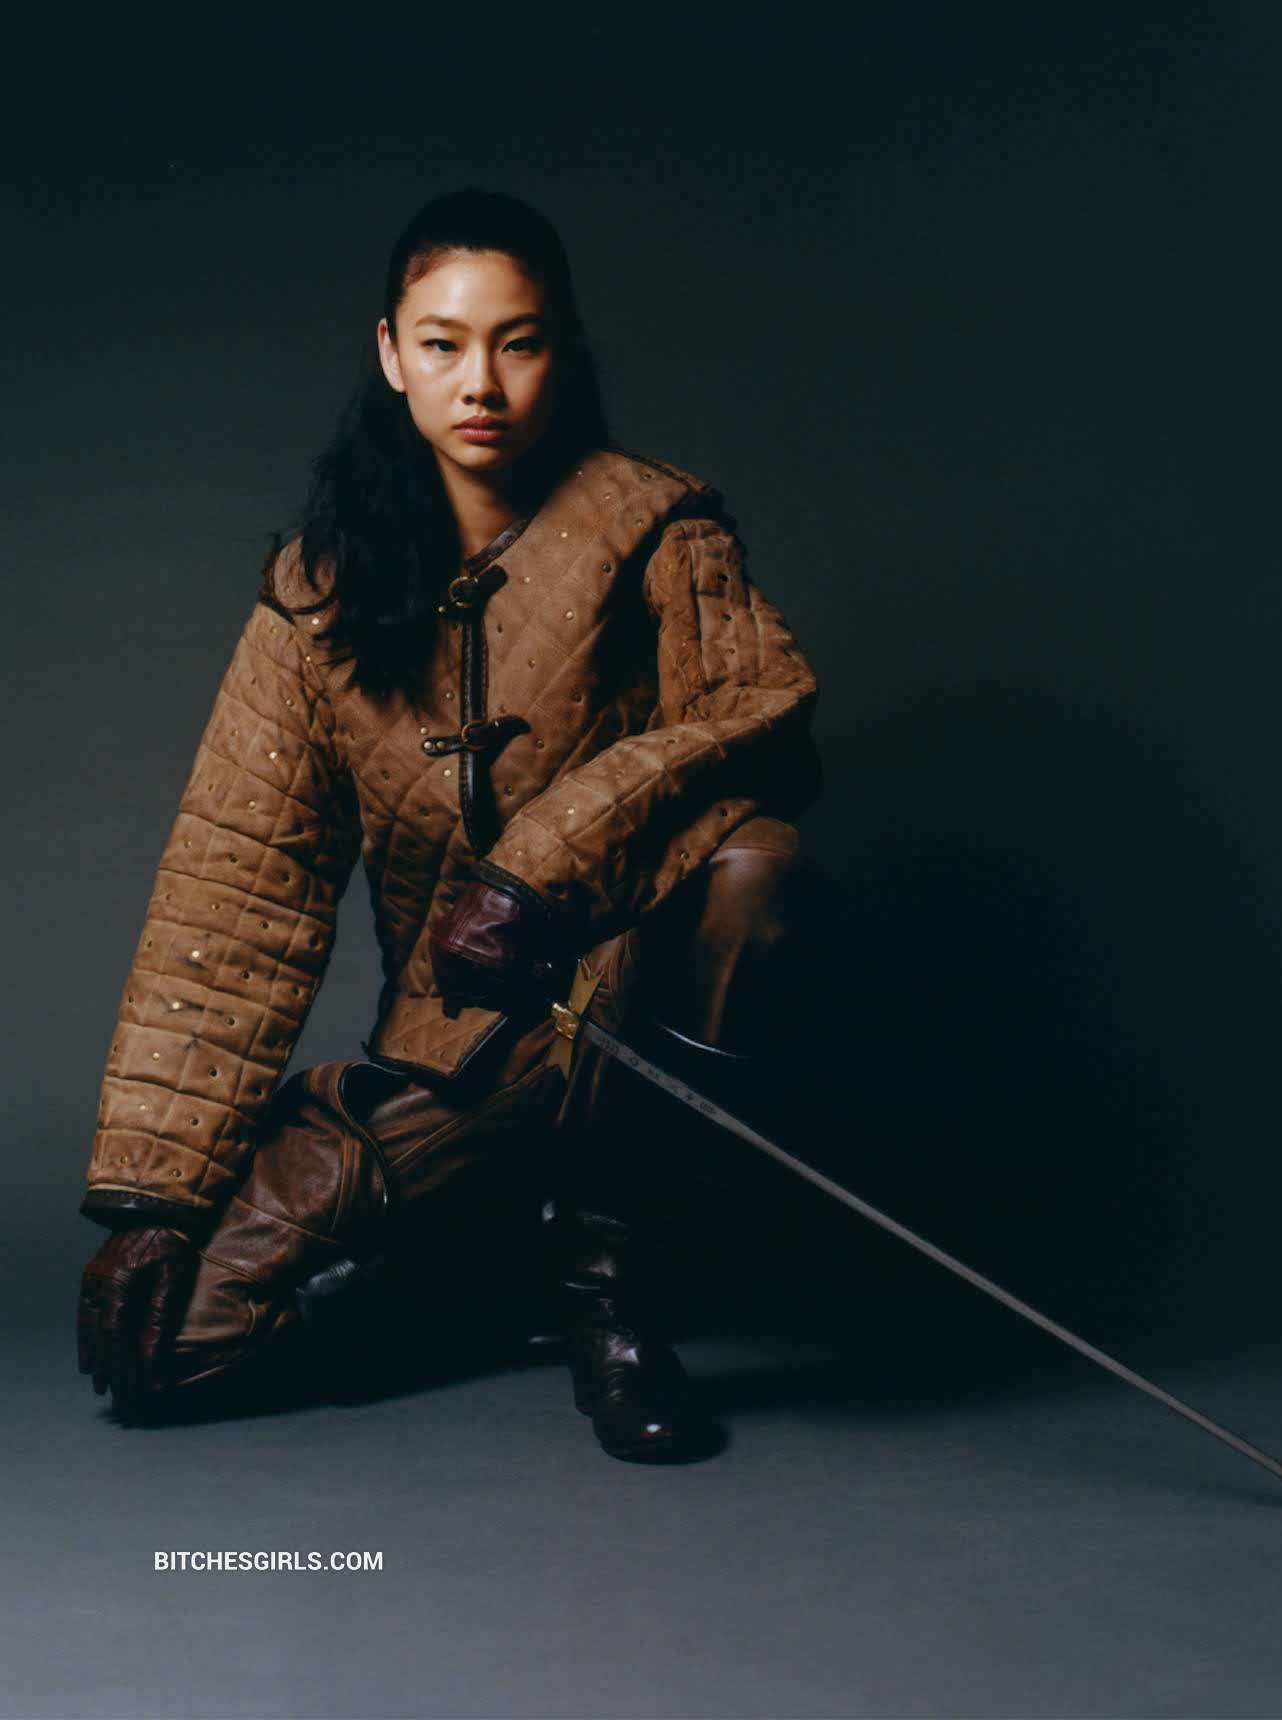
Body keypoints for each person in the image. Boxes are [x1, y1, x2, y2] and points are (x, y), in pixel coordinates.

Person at [75, 187, 826, 1462]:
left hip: (625, 993)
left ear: (561, 352)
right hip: (458, 1051)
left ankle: (610, 1295)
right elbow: (236, 892)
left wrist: (534, 872)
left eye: (517, 343)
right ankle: (485, 1271)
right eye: (442, 343)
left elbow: (761, 720)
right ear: (391, 353)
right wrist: (156, 1195)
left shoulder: (655, 526)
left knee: (755, 862)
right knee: (174, 1352)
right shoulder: (316, 593)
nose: (480, 382)